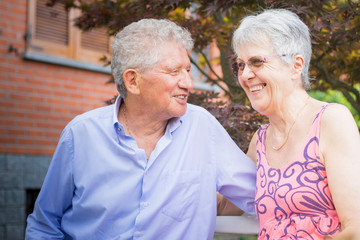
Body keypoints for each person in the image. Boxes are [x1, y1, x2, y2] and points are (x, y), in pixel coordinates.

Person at [25, 18, 257, 239]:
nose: (188, 83)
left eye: (187, 70)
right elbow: (44, 224)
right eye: (174, 71)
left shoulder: (202, 127)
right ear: (133, 81)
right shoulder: (80, 134)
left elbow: (261, 195)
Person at [228, 8, 360, 239]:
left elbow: (355, 229)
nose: (245, 74)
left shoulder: (330, 121)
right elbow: (223, 206)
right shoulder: (259, 141)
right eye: (240, 65)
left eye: (256, 62)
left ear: (296, 66)